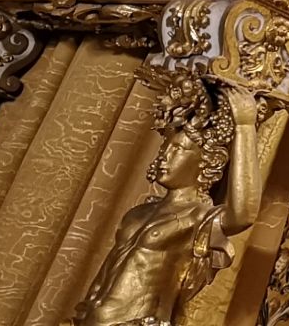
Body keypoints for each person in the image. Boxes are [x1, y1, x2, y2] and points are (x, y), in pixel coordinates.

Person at [71, 85, 262, 326]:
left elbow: (243, 213)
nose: (164, 156)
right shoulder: (138, 213)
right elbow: (106, 275)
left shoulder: (197, 218)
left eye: (178, 149)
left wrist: (244, 127)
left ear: (209, 161)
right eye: (166, 146)